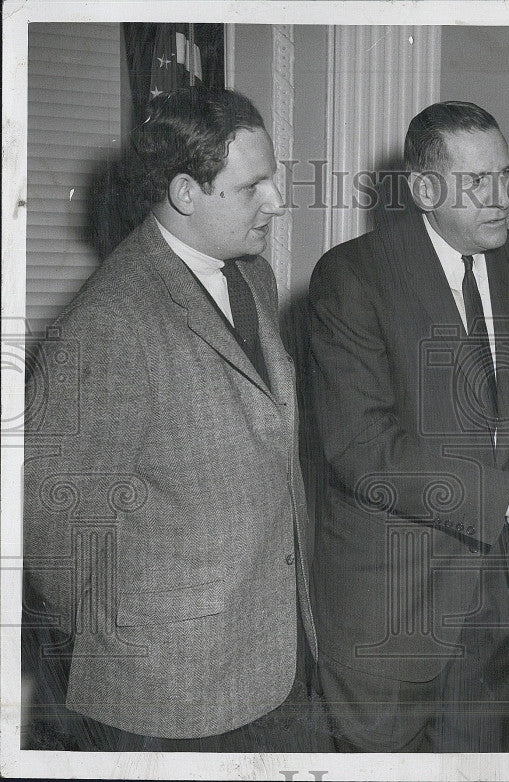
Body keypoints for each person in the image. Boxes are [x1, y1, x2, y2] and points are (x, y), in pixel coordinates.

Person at [22, 87, 324, 752]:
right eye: (255, 187)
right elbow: (53, 534)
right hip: (164, 699)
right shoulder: (107, 323)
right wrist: (131, 645)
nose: (276, 200)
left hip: (271, 661)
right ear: (187, 193)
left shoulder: (252, 279)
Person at [307, 100, 509, 752]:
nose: (501, 198)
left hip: (499, 613)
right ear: (424, 189)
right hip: (389, 613)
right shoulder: (352, 278)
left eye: (506, 175)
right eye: (477, 183)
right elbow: (364, 449)